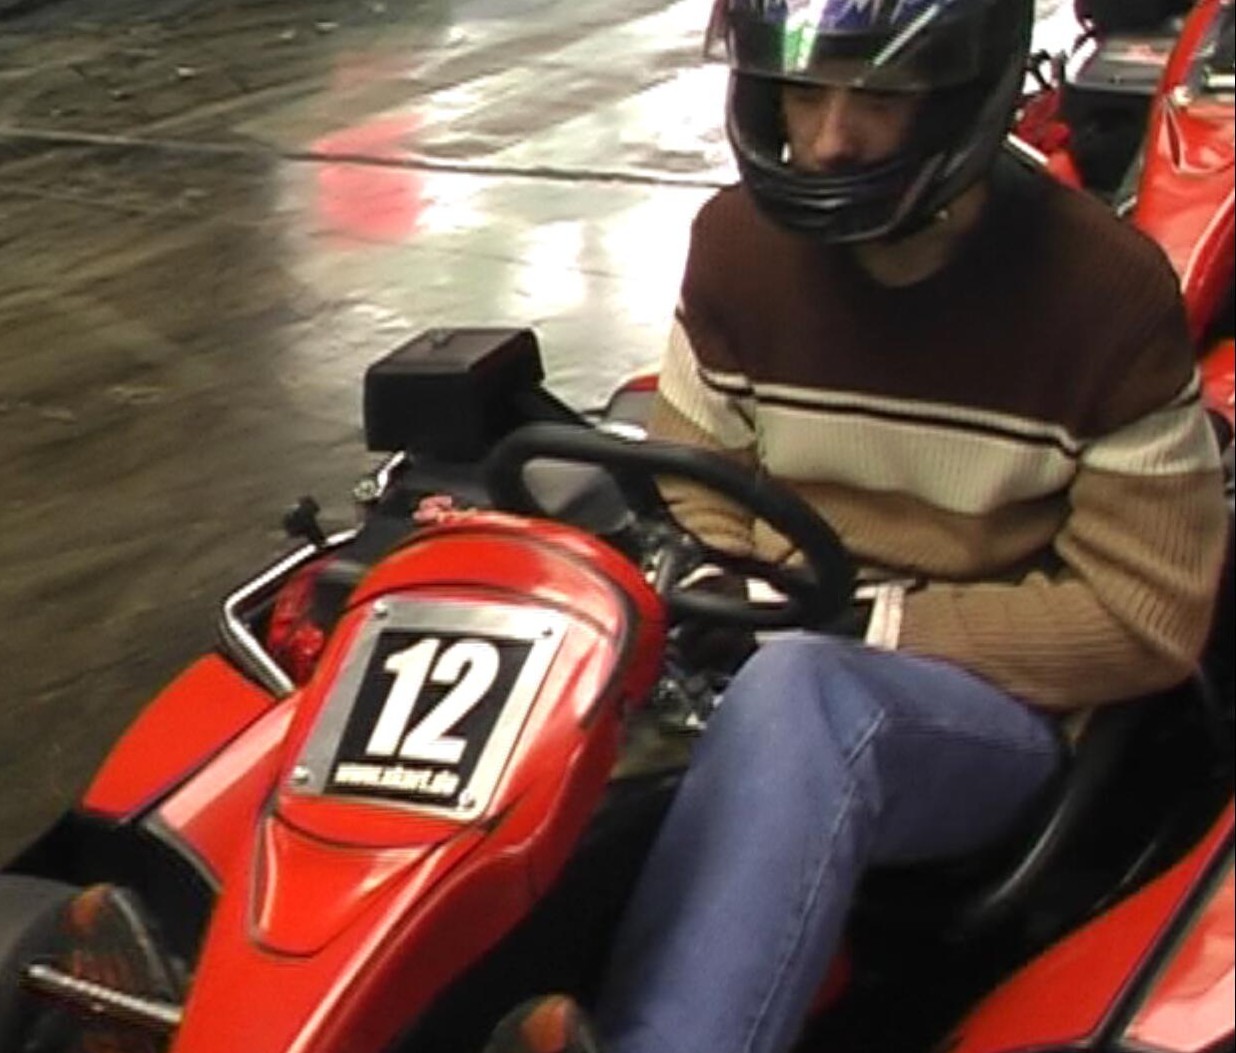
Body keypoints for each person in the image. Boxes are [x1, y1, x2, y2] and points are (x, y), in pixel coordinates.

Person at [482, 0, 1230, 1048]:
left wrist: (864, 625)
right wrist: (746, 593)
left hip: (990, 709)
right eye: (804, 92)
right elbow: (699, 476)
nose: (829, 140)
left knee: (809, 695)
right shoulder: (735, 248)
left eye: (878, 97)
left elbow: (1144, 618)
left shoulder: (1100, 294)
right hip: (776, 638)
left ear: (962, 98)